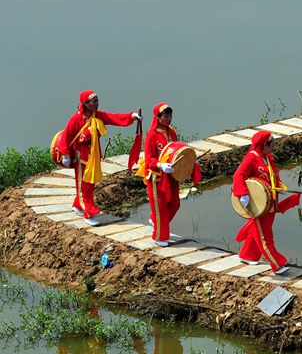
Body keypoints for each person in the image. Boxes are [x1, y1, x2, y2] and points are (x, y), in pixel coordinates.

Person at [57, 90, 142, 225]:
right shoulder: (76, 119)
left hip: (93, 156)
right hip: (81, 157)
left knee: (90, 184)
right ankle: (89, 214)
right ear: (85, 103)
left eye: (97, 100)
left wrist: (132, 116)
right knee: (84, 185)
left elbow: (113, 117)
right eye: (93, 101)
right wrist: (65, 155)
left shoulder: (97, 115)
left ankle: (78, 205)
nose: (97, 103)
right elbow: (67, 136)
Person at [232, 131, 300, 275]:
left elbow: (274, 174)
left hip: (269, 202)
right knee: (265, 237)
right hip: (257, 204)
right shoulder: (251, 158)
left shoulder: (267, 158)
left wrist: (279, 186)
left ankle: (247, 255)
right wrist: (243, 194)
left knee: (259, 230)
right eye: (272, 144)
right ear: (264, 145)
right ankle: (277, 264)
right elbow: (239, 175)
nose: (274, 146)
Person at [136, 103, 201, 246]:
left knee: (175, 204)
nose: (169, 119)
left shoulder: (171, 132)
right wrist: (160, 165)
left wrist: (190, 161)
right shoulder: (152, 134)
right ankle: (159, 237)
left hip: (172, 174)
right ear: (158, 117)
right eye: (166, 116)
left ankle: (156, 221)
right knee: (161, 207)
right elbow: (148, 159)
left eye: (170, 116)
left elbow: (177, 151)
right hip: (157, 176)